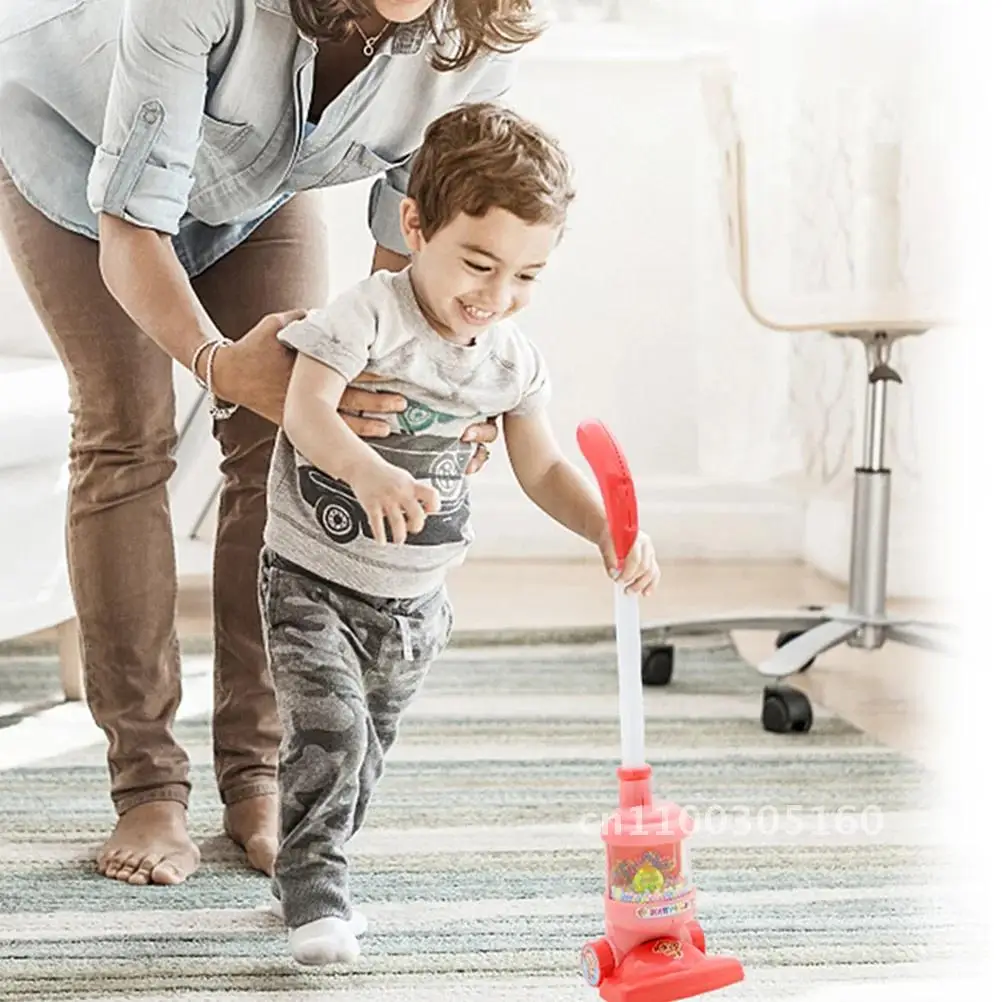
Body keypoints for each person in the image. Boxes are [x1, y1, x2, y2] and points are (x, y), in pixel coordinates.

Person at [0, 0, 542, 887]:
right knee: (125, 434)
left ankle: (258, 774)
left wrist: (425, 390)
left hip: (254, 200)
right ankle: (147, 787)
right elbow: (134, 224)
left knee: (292, 442)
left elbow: (418, 244)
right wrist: (217, 363)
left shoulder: (478, 31)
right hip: (76, 168)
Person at [259, 101, 661, 966]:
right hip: (313, 577)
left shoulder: (512, 358)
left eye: (525, 277)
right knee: (332, 731)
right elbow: (304, 410)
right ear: (415, 226)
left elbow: (545, 467)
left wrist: (606, 529)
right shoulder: (366, 315)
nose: (495, 296)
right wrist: (367, 471)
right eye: (478, 264)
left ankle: (309, 849)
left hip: (415, 602)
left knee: (364, 756)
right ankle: (316, 890)